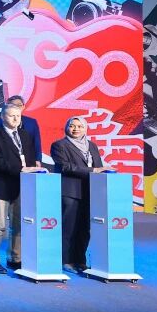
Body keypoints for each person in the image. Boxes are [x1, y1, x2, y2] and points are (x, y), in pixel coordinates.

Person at [0, 103, 41, 274]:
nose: (15, 119)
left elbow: (30, 160)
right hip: (0, 185)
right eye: (11, 115)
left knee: (18, 224)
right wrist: (21, 169)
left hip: (21, 186)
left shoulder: (25, 135)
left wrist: (31, 170)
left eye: (18, 116)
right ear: (2, 117)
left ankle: (15, 258)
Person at [51, 116, 105, 274]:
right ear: (66, 127)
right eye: (72, 126)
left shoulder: (92, 146)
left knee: (85, 229)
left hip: (90, 191)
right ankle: (66, 260)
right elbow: (65, 167)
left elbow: (99, 166)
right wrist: (93, 170)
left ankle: (80, 261)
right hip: (70, 192)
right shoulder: (59, 145)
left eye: (80, 126)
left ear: (85, 128)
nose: (76, 129)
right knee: (69, 228)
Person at [0, 95, 42, 163]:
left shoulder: (32, 122)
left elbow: (36, 143)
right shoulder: (0, 121)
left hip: (28, 160)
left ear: (23, 107)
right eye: (13, 105)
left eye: (19, 105)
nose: (17, 107)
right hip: (7, 161)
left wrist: (38, 159)